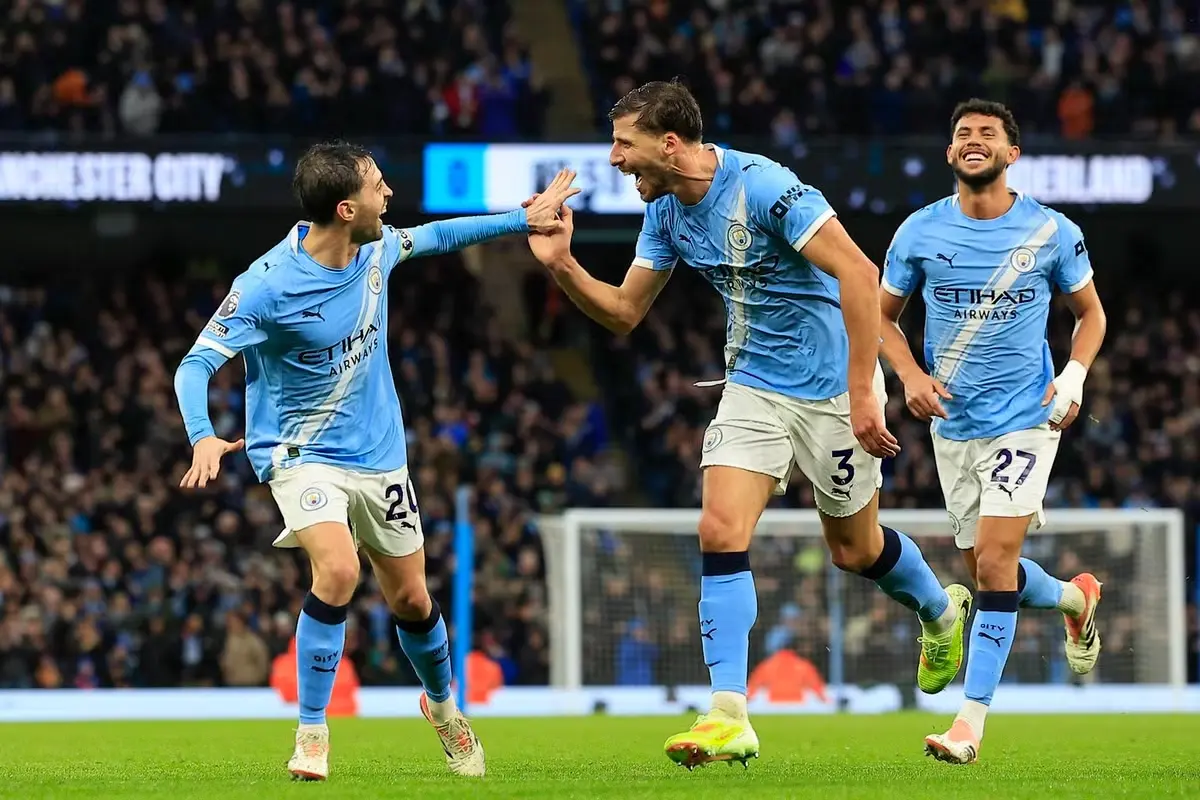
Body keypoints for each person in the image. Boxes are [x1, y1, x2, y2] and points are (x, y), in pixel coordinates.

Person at [523, 80, 970, 769]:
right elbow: (624, 312)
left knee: (854, 551)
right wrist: (561, 265)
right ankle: (728, 713)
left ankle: (939, 611)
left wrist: (863, 391)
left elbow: (858, 273)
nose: (614, 159)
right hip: (754, 386)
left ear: (670, 143)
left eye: (623, 144)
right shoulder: (665, 211)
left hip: (832, 389)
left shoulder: (763, 187)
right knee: (719, 529)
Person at [173, 140, 579, 781]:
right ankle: (311, 733)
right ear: (345, 208)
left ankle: (442, 708)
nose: (388, 195)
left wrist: (521, 219)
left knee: (412, 599)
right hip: (301, 453)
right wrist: (201, 434)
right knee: (338, 570)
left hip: (380, 457)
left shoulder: (376, 250)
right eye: (378, 186)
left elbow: (440, 235)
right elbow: (195, 365)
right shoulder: (267, 284)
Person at [879, 98, 1107, 764]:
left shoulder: (1052, 231)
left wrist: (1074, 377)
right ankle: (1074, 598)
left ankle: (968, 724)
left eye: (987, 133)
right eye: (963, 134)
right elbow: (880, 317)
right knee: (984, 569)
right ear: (951, 153)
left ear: (1012, 153)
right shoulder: (919, 231)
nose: (973, 140)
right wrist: (908, 375)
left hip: (1026, 419)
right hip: (953, 425)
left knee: (997, 565)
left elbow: (1091, 315)